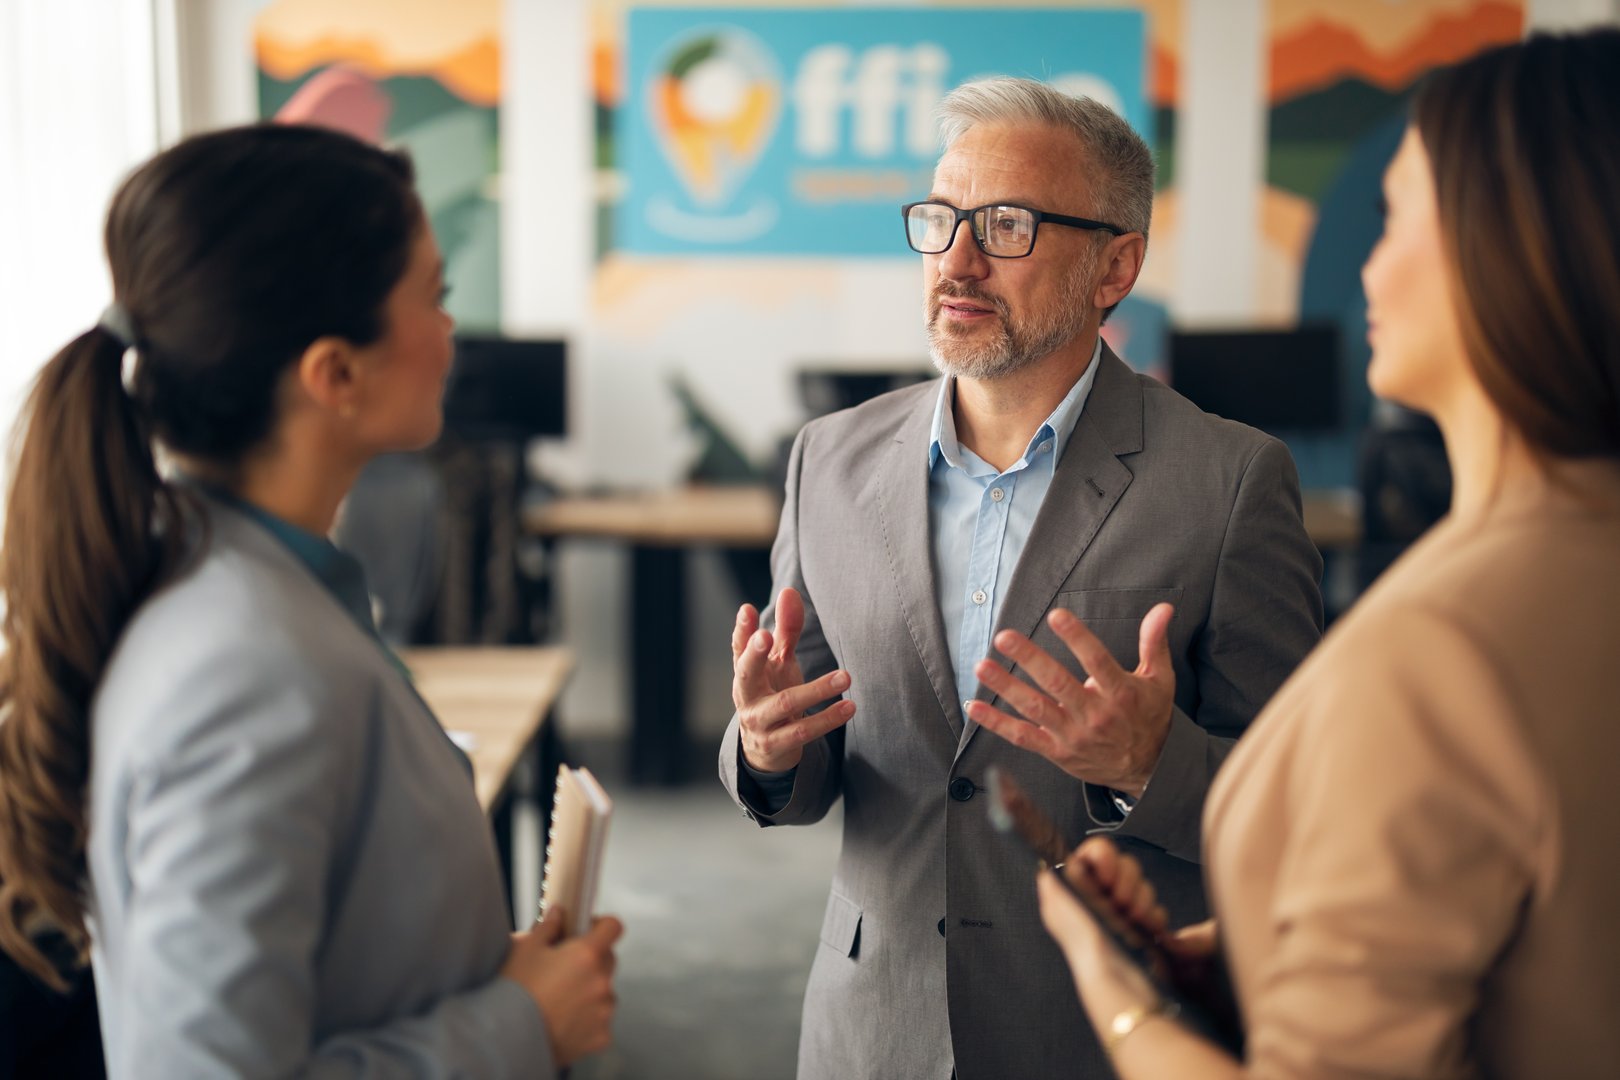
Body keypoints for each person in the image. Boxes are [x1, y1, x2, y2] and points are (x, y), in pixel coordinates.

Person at [1028, 28, 1620, 1078]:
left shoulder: (1444, 647)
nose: (1368, 266)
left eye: (1397, 216)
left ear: (1514, 247)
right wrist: (1259, 959)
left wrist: (1117, 997)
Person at [720, 77, 1324, 1079]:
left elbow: (1304, 807)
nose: (957, 261)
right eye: (942, 220)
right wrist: (766, 749)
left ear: (1115, 266)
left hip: (1106, 1031)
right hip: (874, 1033)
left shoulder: (1229, 481)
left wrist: (1149, 763)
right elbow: (812, 759)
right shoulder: (826, 460)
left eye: (1007, 226)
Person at [0, 124, 620, 1076]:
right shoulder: (241, 669)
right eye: (434, 298)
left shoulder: (251, 589)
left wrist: (483, 980)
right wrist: (517, 1026)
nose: (450, 331)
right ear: (335, 374)